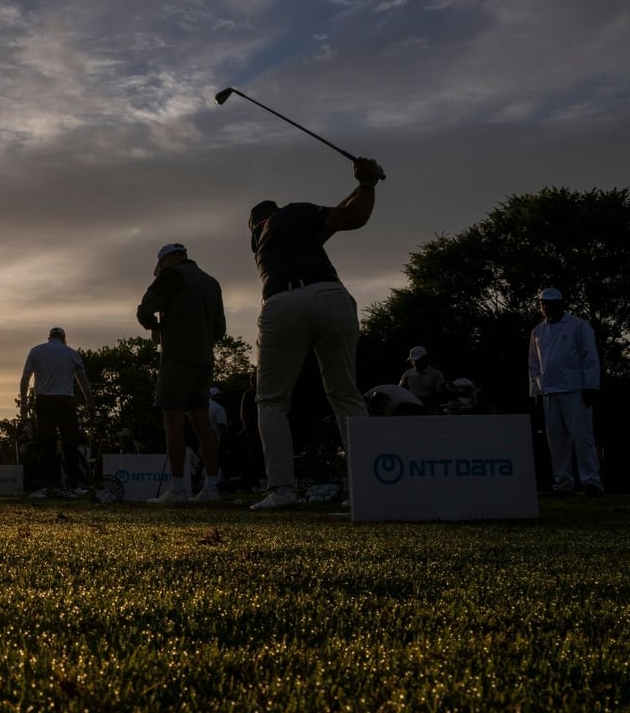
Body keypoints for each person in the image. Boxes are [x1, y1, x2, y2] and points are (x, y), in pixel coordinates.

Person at [247, 156, 385, 510]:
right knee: (344, 393)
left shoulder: (262, 239)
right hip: (330, 297)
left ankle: (281, 491)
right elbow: (350, 217)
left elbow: (340, 217)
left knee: (272, 401)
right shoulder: (294, 214)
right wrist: (367, 184)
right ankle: (368, 487)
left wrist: (362, 185)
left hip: (281, 304)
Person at [136, 242, 226, 503]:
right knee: (202, 424)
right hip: (204, 360)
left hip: (177, 358)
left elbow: (144, 310)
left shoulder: (171, 276)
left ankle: (177, 488)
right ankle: (211, 487)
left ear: (165, 261)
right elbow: (220, 328)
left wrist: (156, 327)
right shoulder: (212, 282)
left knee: (173, 421)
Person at [528, 287, 602, 496]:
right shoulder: (538, 331)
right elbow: (533, 363)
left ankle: (591, 481)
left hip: (576, 389)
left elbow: (590, 357)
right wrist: (535, 391)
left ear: (561, 304)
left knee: (582, 436)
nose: (546, 307)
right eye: (543, 304)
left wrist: (591, 386)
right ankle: (562, 483)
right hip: (549, 391)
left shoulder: (579, 326)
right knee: (556, 441)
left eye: (550, 304)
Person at [20, 327, 95, 496]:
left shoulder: (36, 351)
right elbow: (83, 382)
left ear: (49, 337)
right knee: (70, 443)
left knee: (48, 445)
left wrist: (24, 403)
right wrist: (90, 402)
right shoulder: (71, 353)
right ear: (64, 339)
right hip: (65, 402)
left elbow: (25, 378)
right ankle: (75, 485)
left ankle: (50, 484)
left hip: (44, 401)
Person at [398, 345, 445, 411]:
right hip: (411, 408)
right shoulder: (407, 374)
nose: (415, 363)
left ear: (425, 358)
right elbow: (399, 390)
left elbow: (441, 394)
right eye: (413, 360)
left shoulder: (436, 374)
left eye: (417, 360)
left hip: (429, 408)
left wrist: (437, 408)